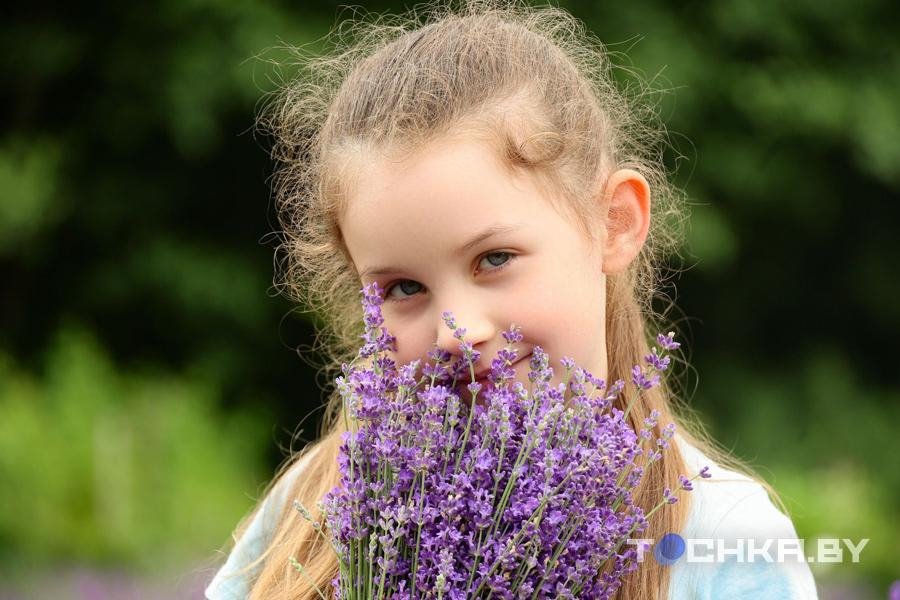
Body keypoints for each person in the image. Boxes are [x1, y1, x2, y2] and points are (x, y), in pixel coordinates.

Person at [205, 1, 818, 597]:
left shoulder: (722, 539)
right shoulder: (315, 509)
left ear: (614, 222)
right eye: (404, 289)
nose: (455, 333)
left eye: (494, 259)